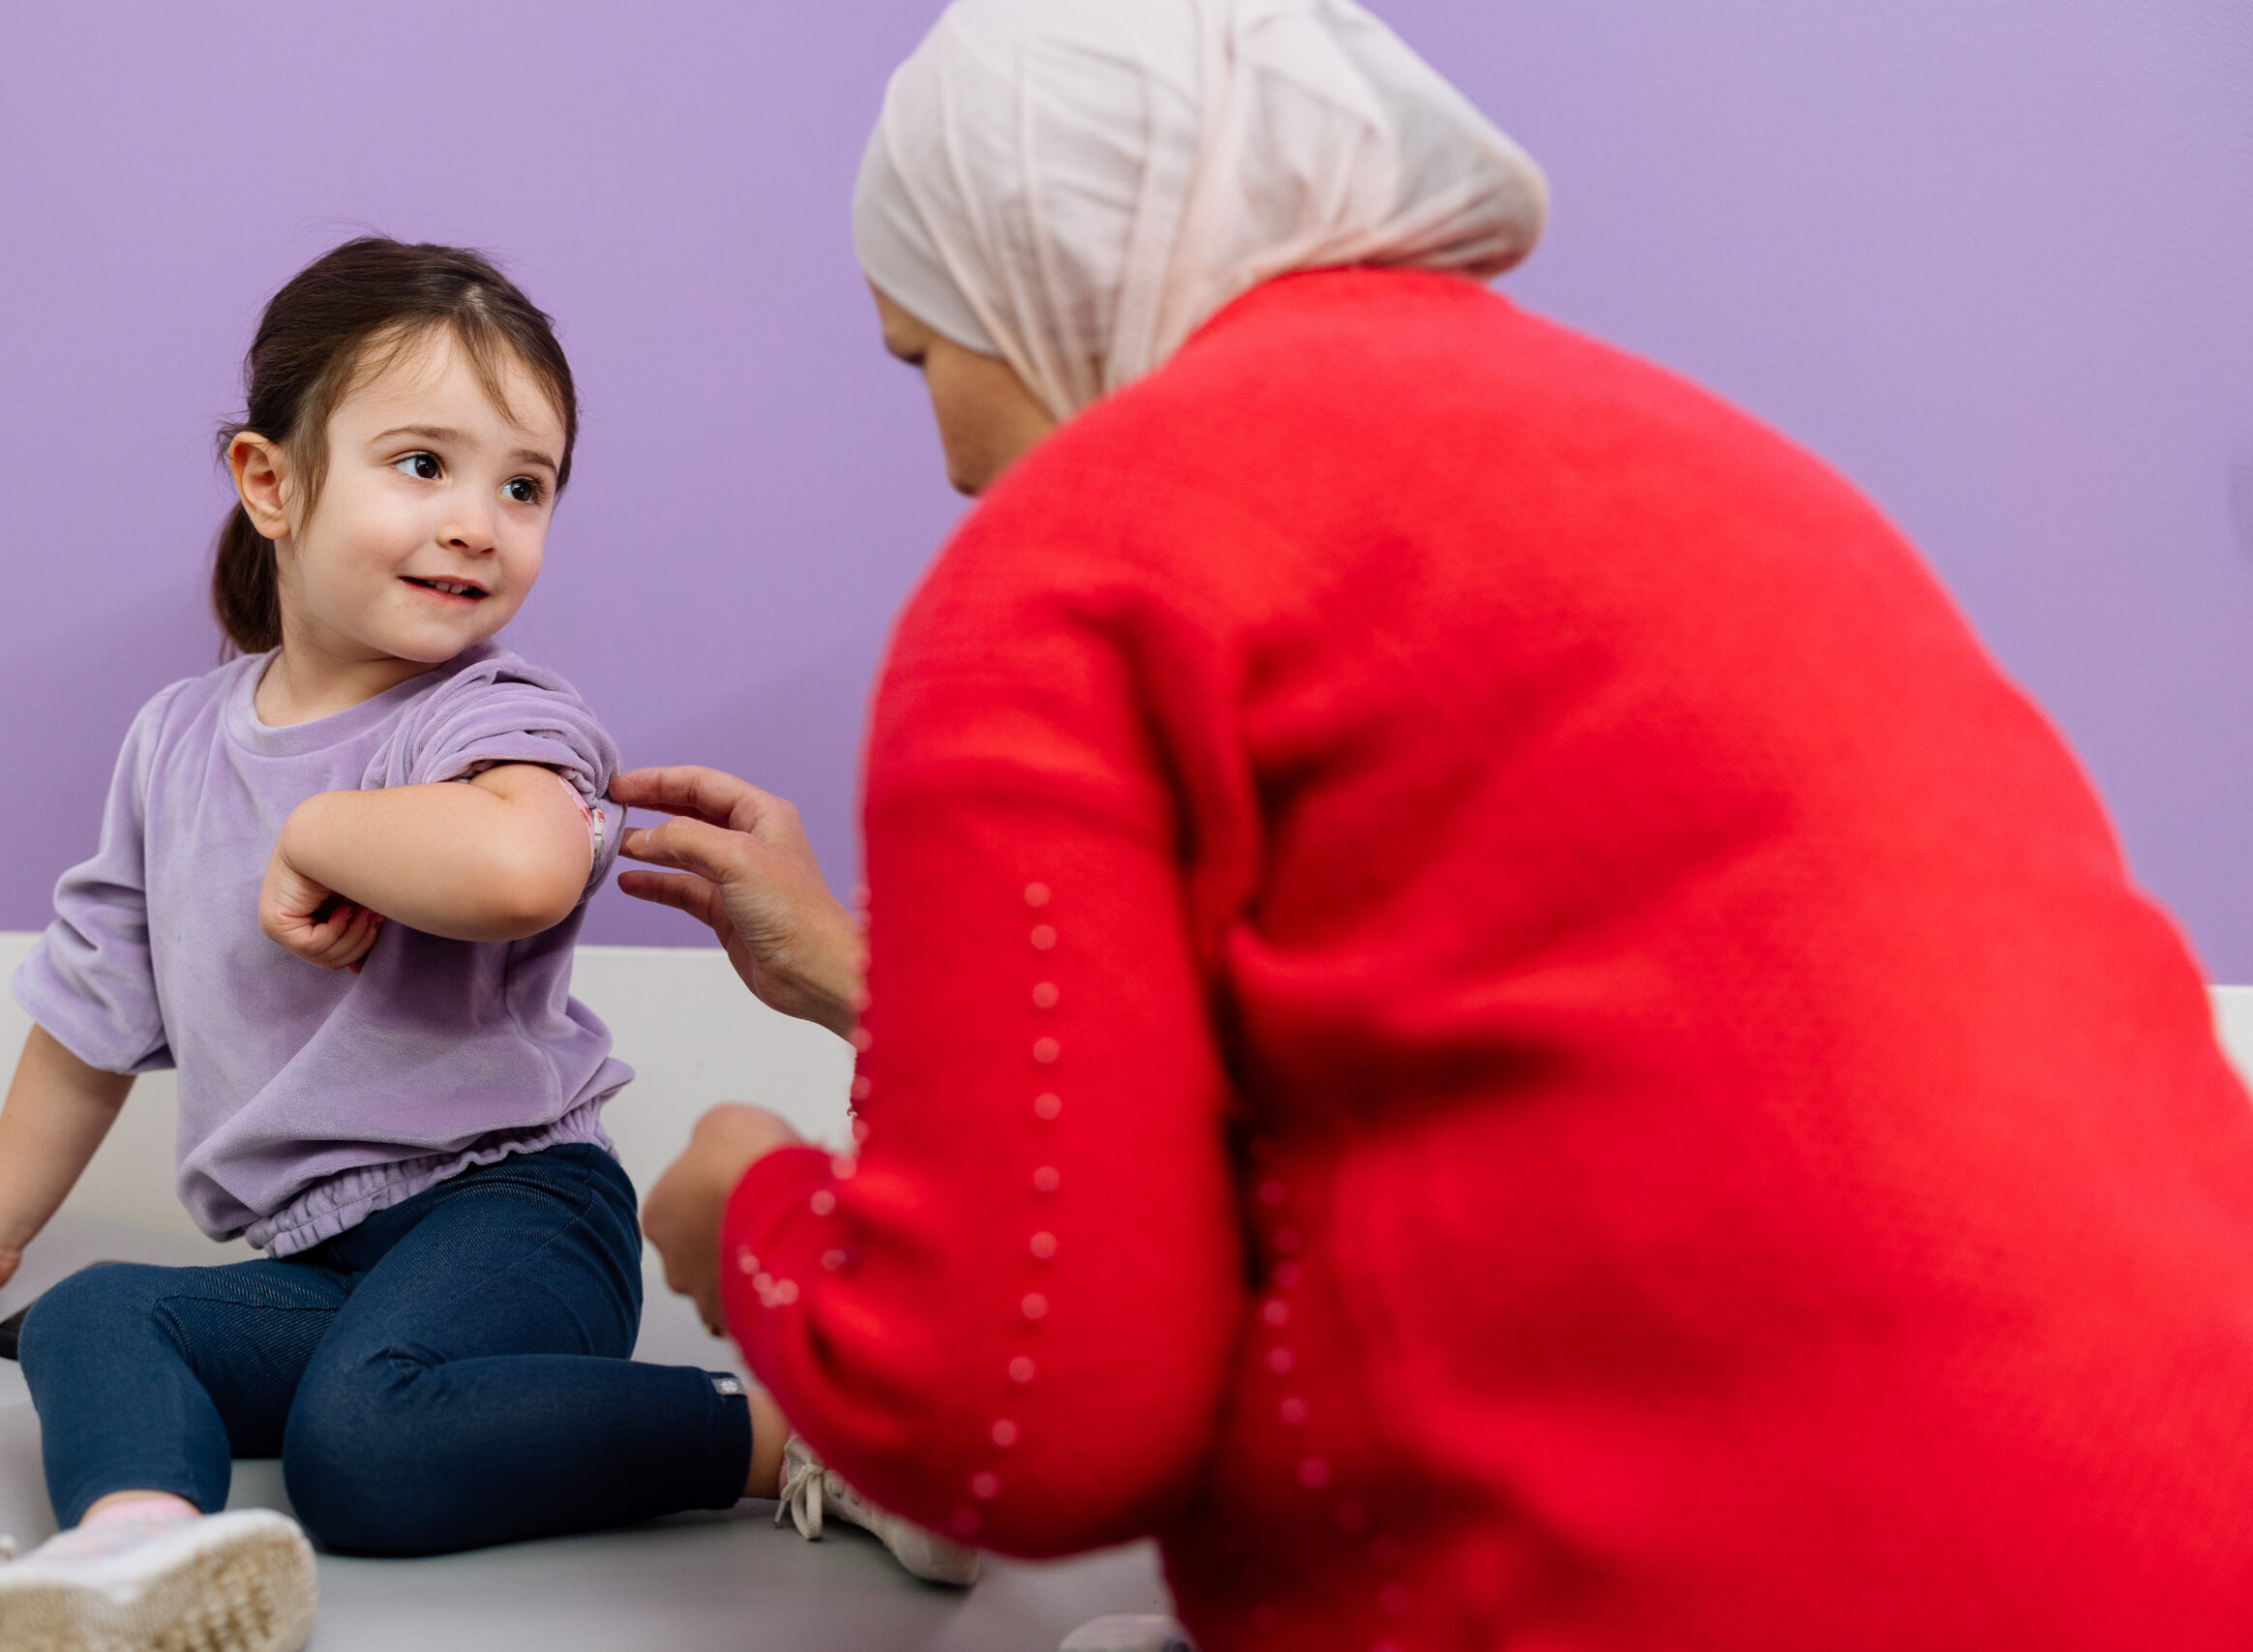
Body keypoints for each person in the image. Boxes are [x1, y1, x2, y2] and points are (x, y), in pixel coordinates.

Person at [625, 2, 2253, 1648]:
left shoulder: (1077, 561)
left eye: (925, 354)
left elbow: (1017, 1410)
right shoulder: (1706, 464)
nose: (957, 461)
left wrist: (753, 1215)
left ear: (1039, 267)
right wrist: (862, 975)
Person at [0, 238, 947, 1652]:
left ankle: (817, 1440)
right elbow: (94, 1009)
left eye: (523, 486)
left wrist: (318, 834)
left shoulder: (495, 718)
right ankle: (142, 1557)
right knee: (90, 1317)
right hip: (322, 1262)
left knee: (364, 1448)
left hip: (516, 1215)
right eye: (423, 464)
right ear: (270, 483)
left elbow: (525, 867)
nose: (478, 521)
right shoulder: (172, 741)